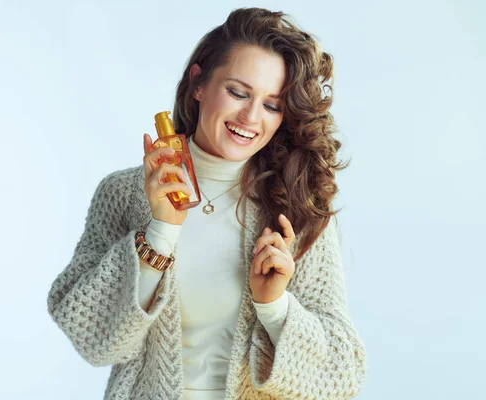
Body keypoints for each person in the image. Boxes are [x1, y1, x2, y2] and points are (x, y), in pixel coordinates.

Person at [47, 7, 367, 400]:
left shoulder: (297, 209)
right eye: (237, 91)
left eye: (272, 104)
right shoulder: (124, 194)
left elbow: (343, 375)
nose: (250, 117)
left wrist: (274, 306)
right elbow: (90, 336)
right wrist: (160, 233)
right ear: (198, 83)